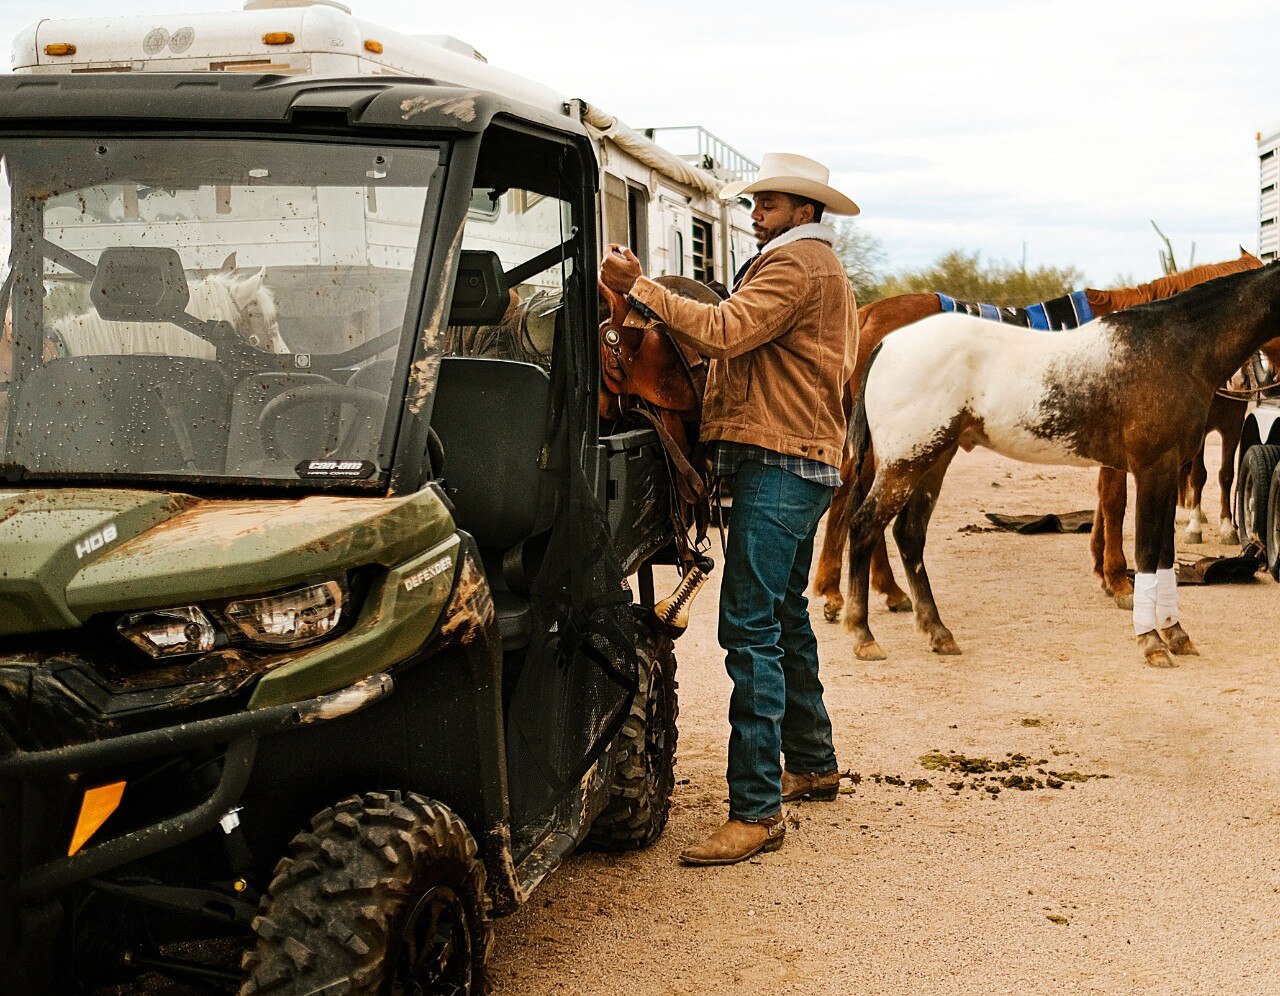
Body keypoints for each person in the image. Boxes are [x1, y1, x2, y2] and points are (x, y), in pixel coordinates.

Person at [599, 153, 860, 866]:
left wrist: (639, 289)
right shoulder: (815, 268)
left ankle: (755, 811)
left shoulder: (796, 265)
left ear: (805, 211)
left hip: (779, 460)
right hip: (799, 459)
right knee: (781, 613)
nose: (755, 216)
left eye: (768, 205)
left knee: (748, 628)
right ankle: (810, 760)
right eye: (755, 205)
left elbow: (721, 331)